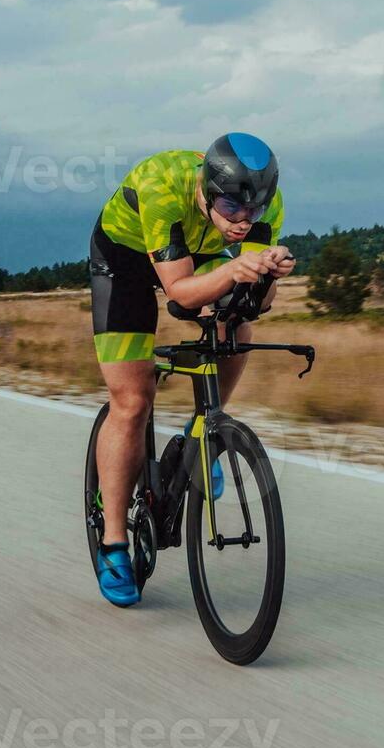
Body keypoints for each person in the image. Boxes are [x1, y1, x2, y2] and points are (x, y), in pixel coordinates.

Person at [86, 133, 296, 606]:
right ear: (206, 189)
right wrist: (234, 272)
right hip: (124, 262)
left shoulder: (265, 204)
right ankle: (114, 542)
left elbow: (254, 302)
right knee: (133, 400)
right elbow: (180, 291)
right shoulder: (162, 184)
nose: (243, 222)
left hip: (196, 253)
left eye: (253, 212)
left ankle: (203, 433)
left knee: (237, 324)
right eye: (231, 208)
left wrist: (267, 276)